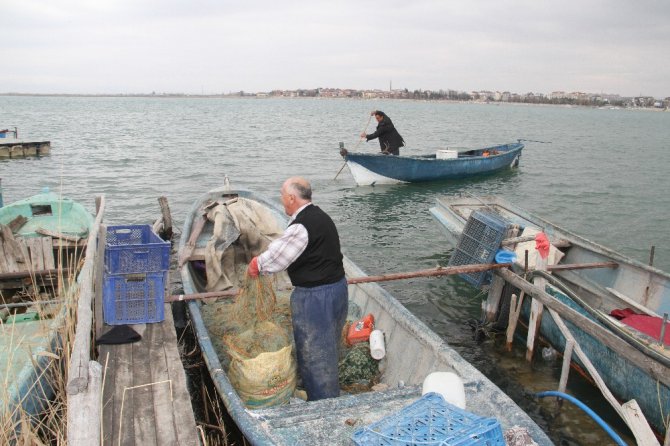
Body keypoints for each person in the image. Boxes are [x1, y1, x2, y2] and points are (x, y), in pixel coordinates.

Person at [247, 177, 348, 401]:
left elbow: (277, 258)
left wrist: (256, 265)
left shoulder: (301, 226)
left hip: (316, 297)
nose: (281, 200)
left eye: (282, 195)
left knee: (315, 352)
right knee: (328, 343)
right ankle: (316, 386)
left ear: (292, 198)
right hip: (338, 289)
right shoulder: (321, 216)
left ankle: (324, 404)